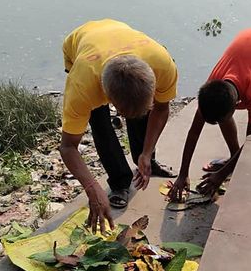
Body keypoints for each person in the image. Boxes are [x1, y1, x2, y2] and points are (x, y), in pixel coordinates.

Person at [60, 19, 178, 232]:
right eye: (121, 112)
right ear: (107, 96)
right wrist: (92, 188)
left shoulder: (162, 64)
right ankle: (119, 181)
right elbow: (68, 147)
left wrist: (146, 152)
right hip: (81, 44)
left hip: (118, 32)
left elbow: (161, 108)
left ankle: (145, 160)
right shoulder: (83, 86)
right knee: (100, 123)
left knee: (139, 115)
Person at [168, 28, 251, 201]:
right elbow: (194, 132)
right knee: (221, 114)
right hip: (249, 48)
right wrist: (183, 174)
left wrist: (221, 175)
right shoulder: (211, 89)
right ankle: (235, 158)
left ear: (235, 108)